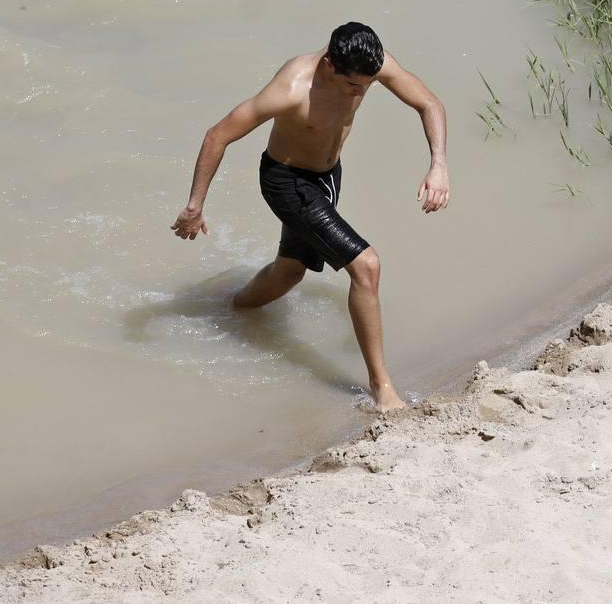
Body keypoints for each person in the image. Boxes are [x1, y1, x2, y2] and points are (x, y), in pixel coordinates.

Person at [170, 22, 449, 412]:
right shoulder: (291, 88)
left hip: (326, 177)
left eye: (368, 86)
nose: (361, 93)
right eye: (354, 86)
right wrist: (195, 205)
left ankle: (232, 310)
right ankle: (382, 389)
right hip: (286, 181)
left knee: (290, 272)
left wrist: (438, 165)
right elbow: (218, 134)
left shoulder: (370, 64)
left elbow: (429, 103)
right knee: (367, 266)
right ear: (330, 66)